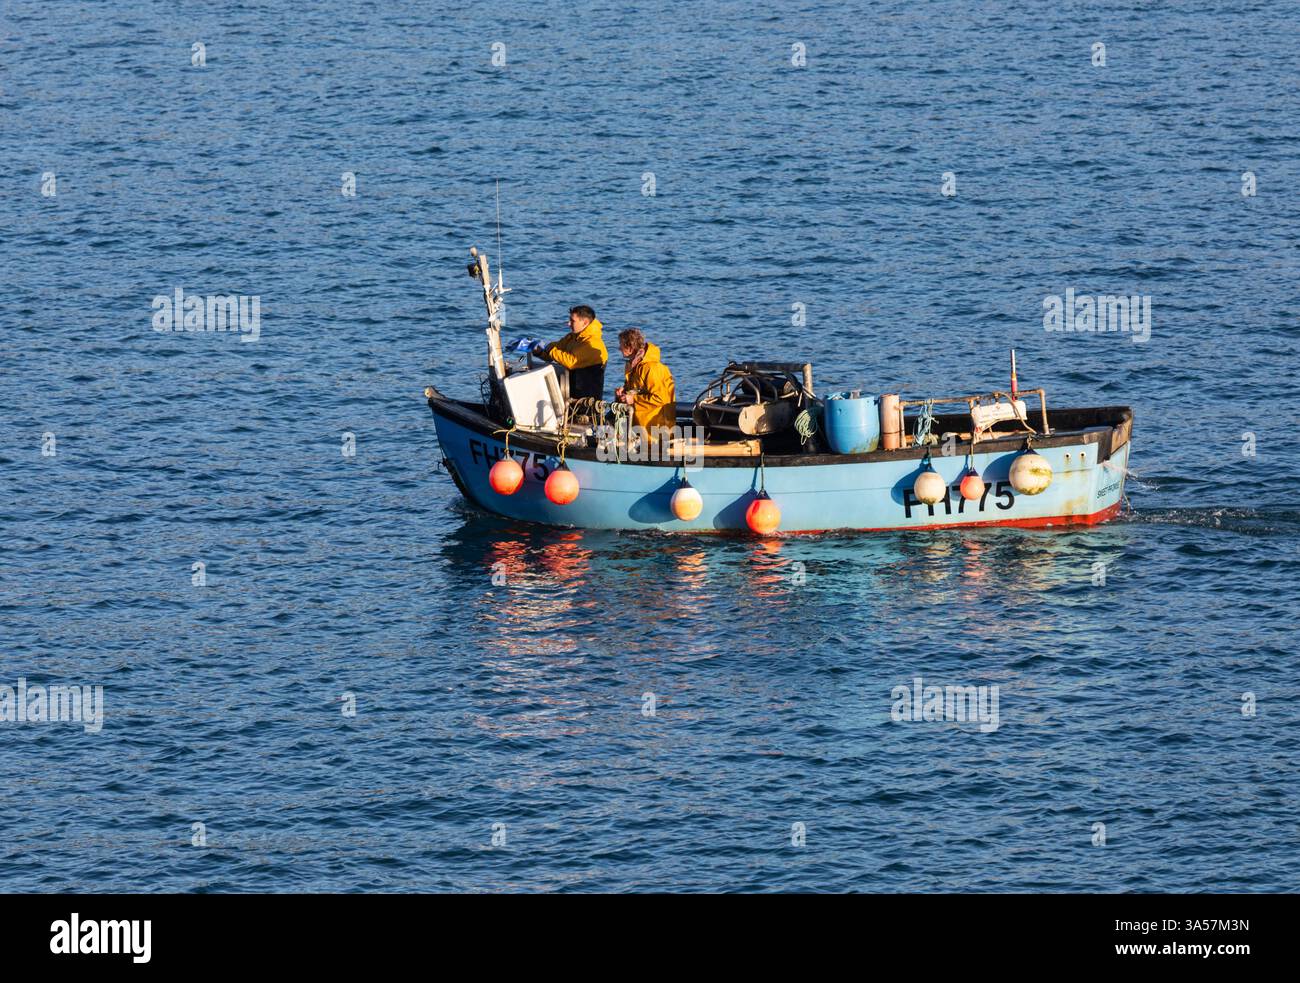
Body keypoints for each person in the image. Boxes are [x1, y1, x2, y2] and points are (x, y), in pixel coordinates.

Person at [532, 305, 608, 400]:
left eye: (572, 321)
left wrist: (549, 348)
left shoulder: (593, 343)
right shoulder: (572, 337)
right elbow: (554, 352)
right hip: (570, 391)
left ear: (585, 322)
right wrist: (538, 350)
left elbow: (571, 362)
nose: (568, 324)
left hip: (587, 398)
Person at [615, 328, 676, 440]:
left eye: (621, 345)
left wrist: (634, 399)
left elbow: (660, 398)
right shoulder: (632, 365)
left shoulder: (652, 368)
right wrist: (623, 392)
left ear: (630, 347)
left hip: (655, 430)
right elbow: (637, 389)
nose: (619, 348)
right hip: (640, 425)